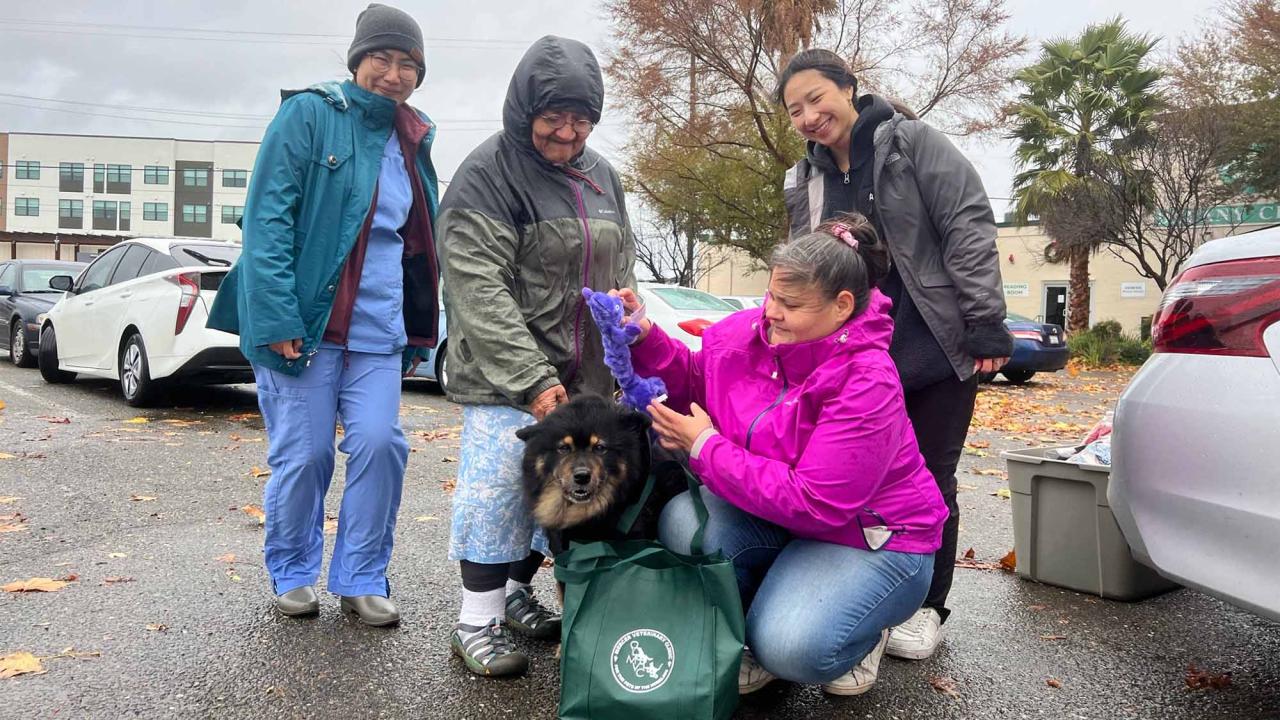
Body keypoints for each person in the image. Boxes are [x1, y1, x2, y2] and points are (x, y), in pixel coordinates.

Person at [617, 214, 947, 696]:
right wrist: (646, 335)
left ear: (842, 306)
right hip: (787, 521)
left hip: (872, 537)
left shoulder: (867, 380)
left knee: (794, 646)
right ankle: (766, 621)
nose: (771, 312)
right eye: (772, 295)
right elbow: (697, 380)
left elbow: (820, 502)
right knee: (687, 523)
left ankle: (860, 634)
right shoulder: (744, 333)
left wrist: (706, 447)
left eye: (791, 304)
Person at [774, 49, 1012, 660]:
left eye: (816, 98)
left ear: (848, 87)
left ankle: (928, 606)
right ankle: (869, 596)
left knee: (931, 478)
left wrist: (985, 322)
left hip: (931, 344)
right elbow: (810, 269)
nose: (807, 116)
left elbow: (967, 224)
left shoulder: (913, 144)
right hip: (855, 356)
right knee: (855, 480)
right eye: (794, 110)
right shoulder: (804, 179)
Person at [207, 3, 440, 626]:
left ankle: (362, 575)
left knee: (380, 444)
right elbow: (268, 220)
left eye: (407, 65)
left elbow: (420, 240)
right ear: (357, 61)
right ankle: (292, 569)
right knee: (305, 455)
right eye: (381, 59)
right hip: (305, 326)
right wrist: (278, 315)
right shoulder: (308, 114)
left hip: (379, 332)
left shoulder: (411, 137)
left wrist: (422, 328)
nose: (393, 75)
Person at [437, 35, 637, 677]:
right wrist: (530, 380)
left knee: (570, 494)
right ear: (524, 109)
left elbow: (619, 261)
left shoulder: (603, 174)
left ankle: (519, 594)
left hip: (589, 381)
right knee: (500, 492)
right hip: (509, 378)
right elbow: (476, 287)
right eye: (554, 116)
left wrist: (629, 305)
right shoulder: (487, 173)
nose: (567, 131)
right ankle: (476, 621)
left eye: (581, 119)